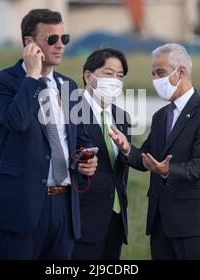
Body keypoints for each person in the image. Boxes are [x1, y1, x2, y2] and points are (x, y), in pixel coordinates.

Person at [0, 8, 98, 260]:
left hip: (64, 207)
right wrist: (32, 76)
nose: (60, 46)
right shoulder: (0, 83)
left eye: (63, 38)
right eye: (52, 39)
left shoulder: (69, 85)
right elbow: (17, 121)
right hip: (20, 208)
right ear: (29, 43)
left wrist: (86, 158)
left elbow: (80, 137)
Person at [109, 43, 200, 260]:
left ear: (181, 72)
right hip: (161, 224)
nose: (156, 80)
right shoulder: (161, 116)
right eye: (153, 74)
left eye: (160, 73)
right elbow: (146, 158)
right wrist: (125, 148)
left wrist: (166, 170)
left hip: (195, 226)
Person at [72, 48, 131, 260]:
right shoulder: (72, 112)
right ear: (89, 76)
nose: (114, 80)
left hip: (114, 216)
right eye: (108, 73)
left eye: (120, 76)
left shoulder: (122, 117)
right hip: (83, 217)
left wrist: (128, 150)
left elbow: (120, 169)